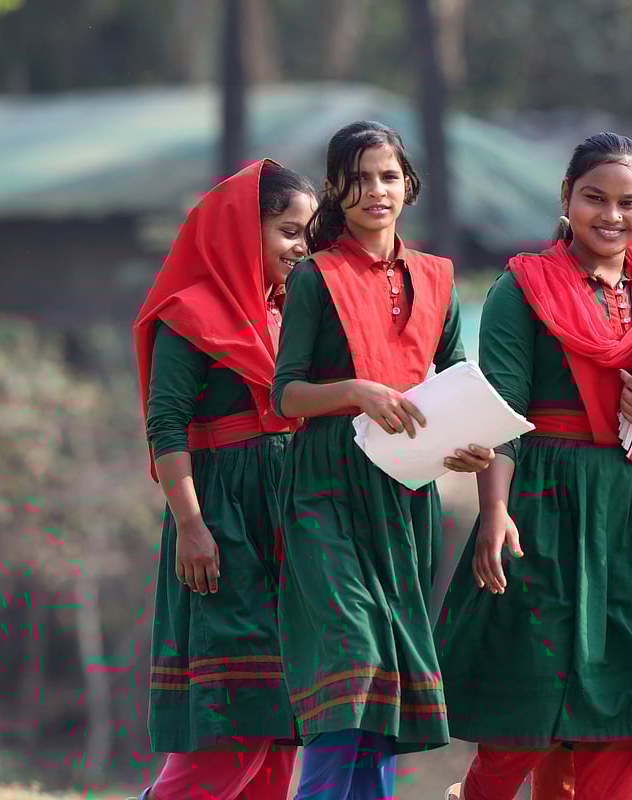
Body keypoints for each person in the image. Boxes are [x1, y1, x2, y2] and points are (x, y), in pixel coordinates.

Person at [436, 132, 632, 800]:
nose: (611, 215)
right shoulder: (521, 289)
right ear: (566, 200)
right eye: (595, 198)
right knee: (529, 715)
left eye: (629, 202)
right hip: (549, 510)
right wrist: (494, 510)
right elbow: (501, 415)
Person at [272, 121, 493, 800]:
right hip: (323, 488)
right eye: (360, 177)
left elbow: (457, 376)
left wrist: (464, 447)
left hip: (403, 491)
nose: (376, 190)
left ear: (409, 187)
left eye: (389, 176)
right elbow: (287, 396)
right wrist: (356, 393)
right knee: (354, 659)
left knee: (385, 674)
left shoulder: (436, 278)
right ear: (337, 189)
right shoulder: (314, 277)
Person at [132, 159, 317, 800]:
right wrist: (190, 525)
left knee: (278, 731)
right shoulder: (191, 314)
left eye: (309, 233)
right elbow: (167, 427)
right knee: (233, 728)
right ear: (244, 230)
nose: (303, 247)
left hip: (290, 525)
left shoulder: (293, 311)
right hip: (223, 523)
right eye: (289, 231)